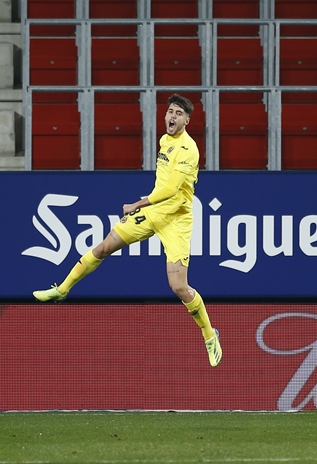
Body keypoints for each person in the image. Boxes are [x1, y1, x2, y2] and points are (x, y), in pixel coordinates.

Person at [33, 94, 222, 367]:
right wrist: (145, 207)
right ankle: (61, 290)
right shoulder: (164, 141)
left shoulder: (188, 149)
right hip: (152, 214)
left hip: (176, 220)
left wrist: (137, 203)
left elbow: (170, 190)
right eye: (170, 111)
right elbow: (163, 186)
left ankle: (209, 334)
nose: (172, 116)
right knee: (101, 248)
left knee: (178, 287)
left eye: (178, 113)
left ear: (187, 120)